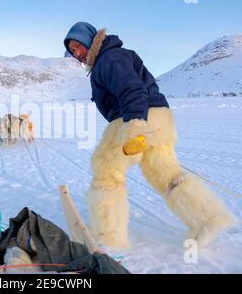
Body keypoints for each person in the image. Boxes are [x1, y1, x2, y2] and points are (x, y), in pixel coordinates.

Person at [64, 22, 236, 248]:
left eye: (79, 46)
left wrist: (134, 126)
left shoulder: (109, 58)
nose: (77, 53)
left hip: (135, 117)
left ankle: (107, 238)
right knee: (166, 175)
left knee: (106, 170)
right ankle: (208, 219)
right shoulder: (109, 58)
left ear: (89, 40)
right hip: (158, 118)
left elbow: (131, 89)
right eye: (73, 50)